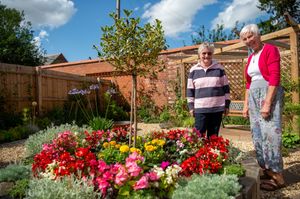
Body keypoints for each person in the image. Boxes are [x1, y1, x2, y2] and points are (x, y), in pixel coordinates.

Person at [240, 24, 285, 191]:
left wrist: (267, 102)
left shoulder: (270, 50)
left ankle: (278, 176)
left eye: (250, 36)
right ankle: (266, 169)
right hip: (253, 97)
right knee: (257, 134)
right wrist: (245, 105)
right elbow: (248, 83)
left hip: (268, 95)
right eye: (244, 39)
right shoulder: (251, 57)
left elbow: (275, 76)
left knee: (271, 134)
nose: (248, 41)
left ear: (259, 35)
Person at [187, 42, 230, 138]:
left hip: (217, 108)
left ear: (212, 54)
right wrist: (190, 106)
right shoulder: (193, 70)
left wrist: (227, 105)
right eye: (204, 53)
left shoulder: (219, 69)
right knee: (198, 137)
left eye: (209, 53)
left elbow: (226, 88)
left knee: (213, 137)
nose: (206, 56)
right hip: (200, 109)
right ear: (199, 54)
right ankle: (199, 153)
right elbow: (190, 90)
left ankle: (211, 153)